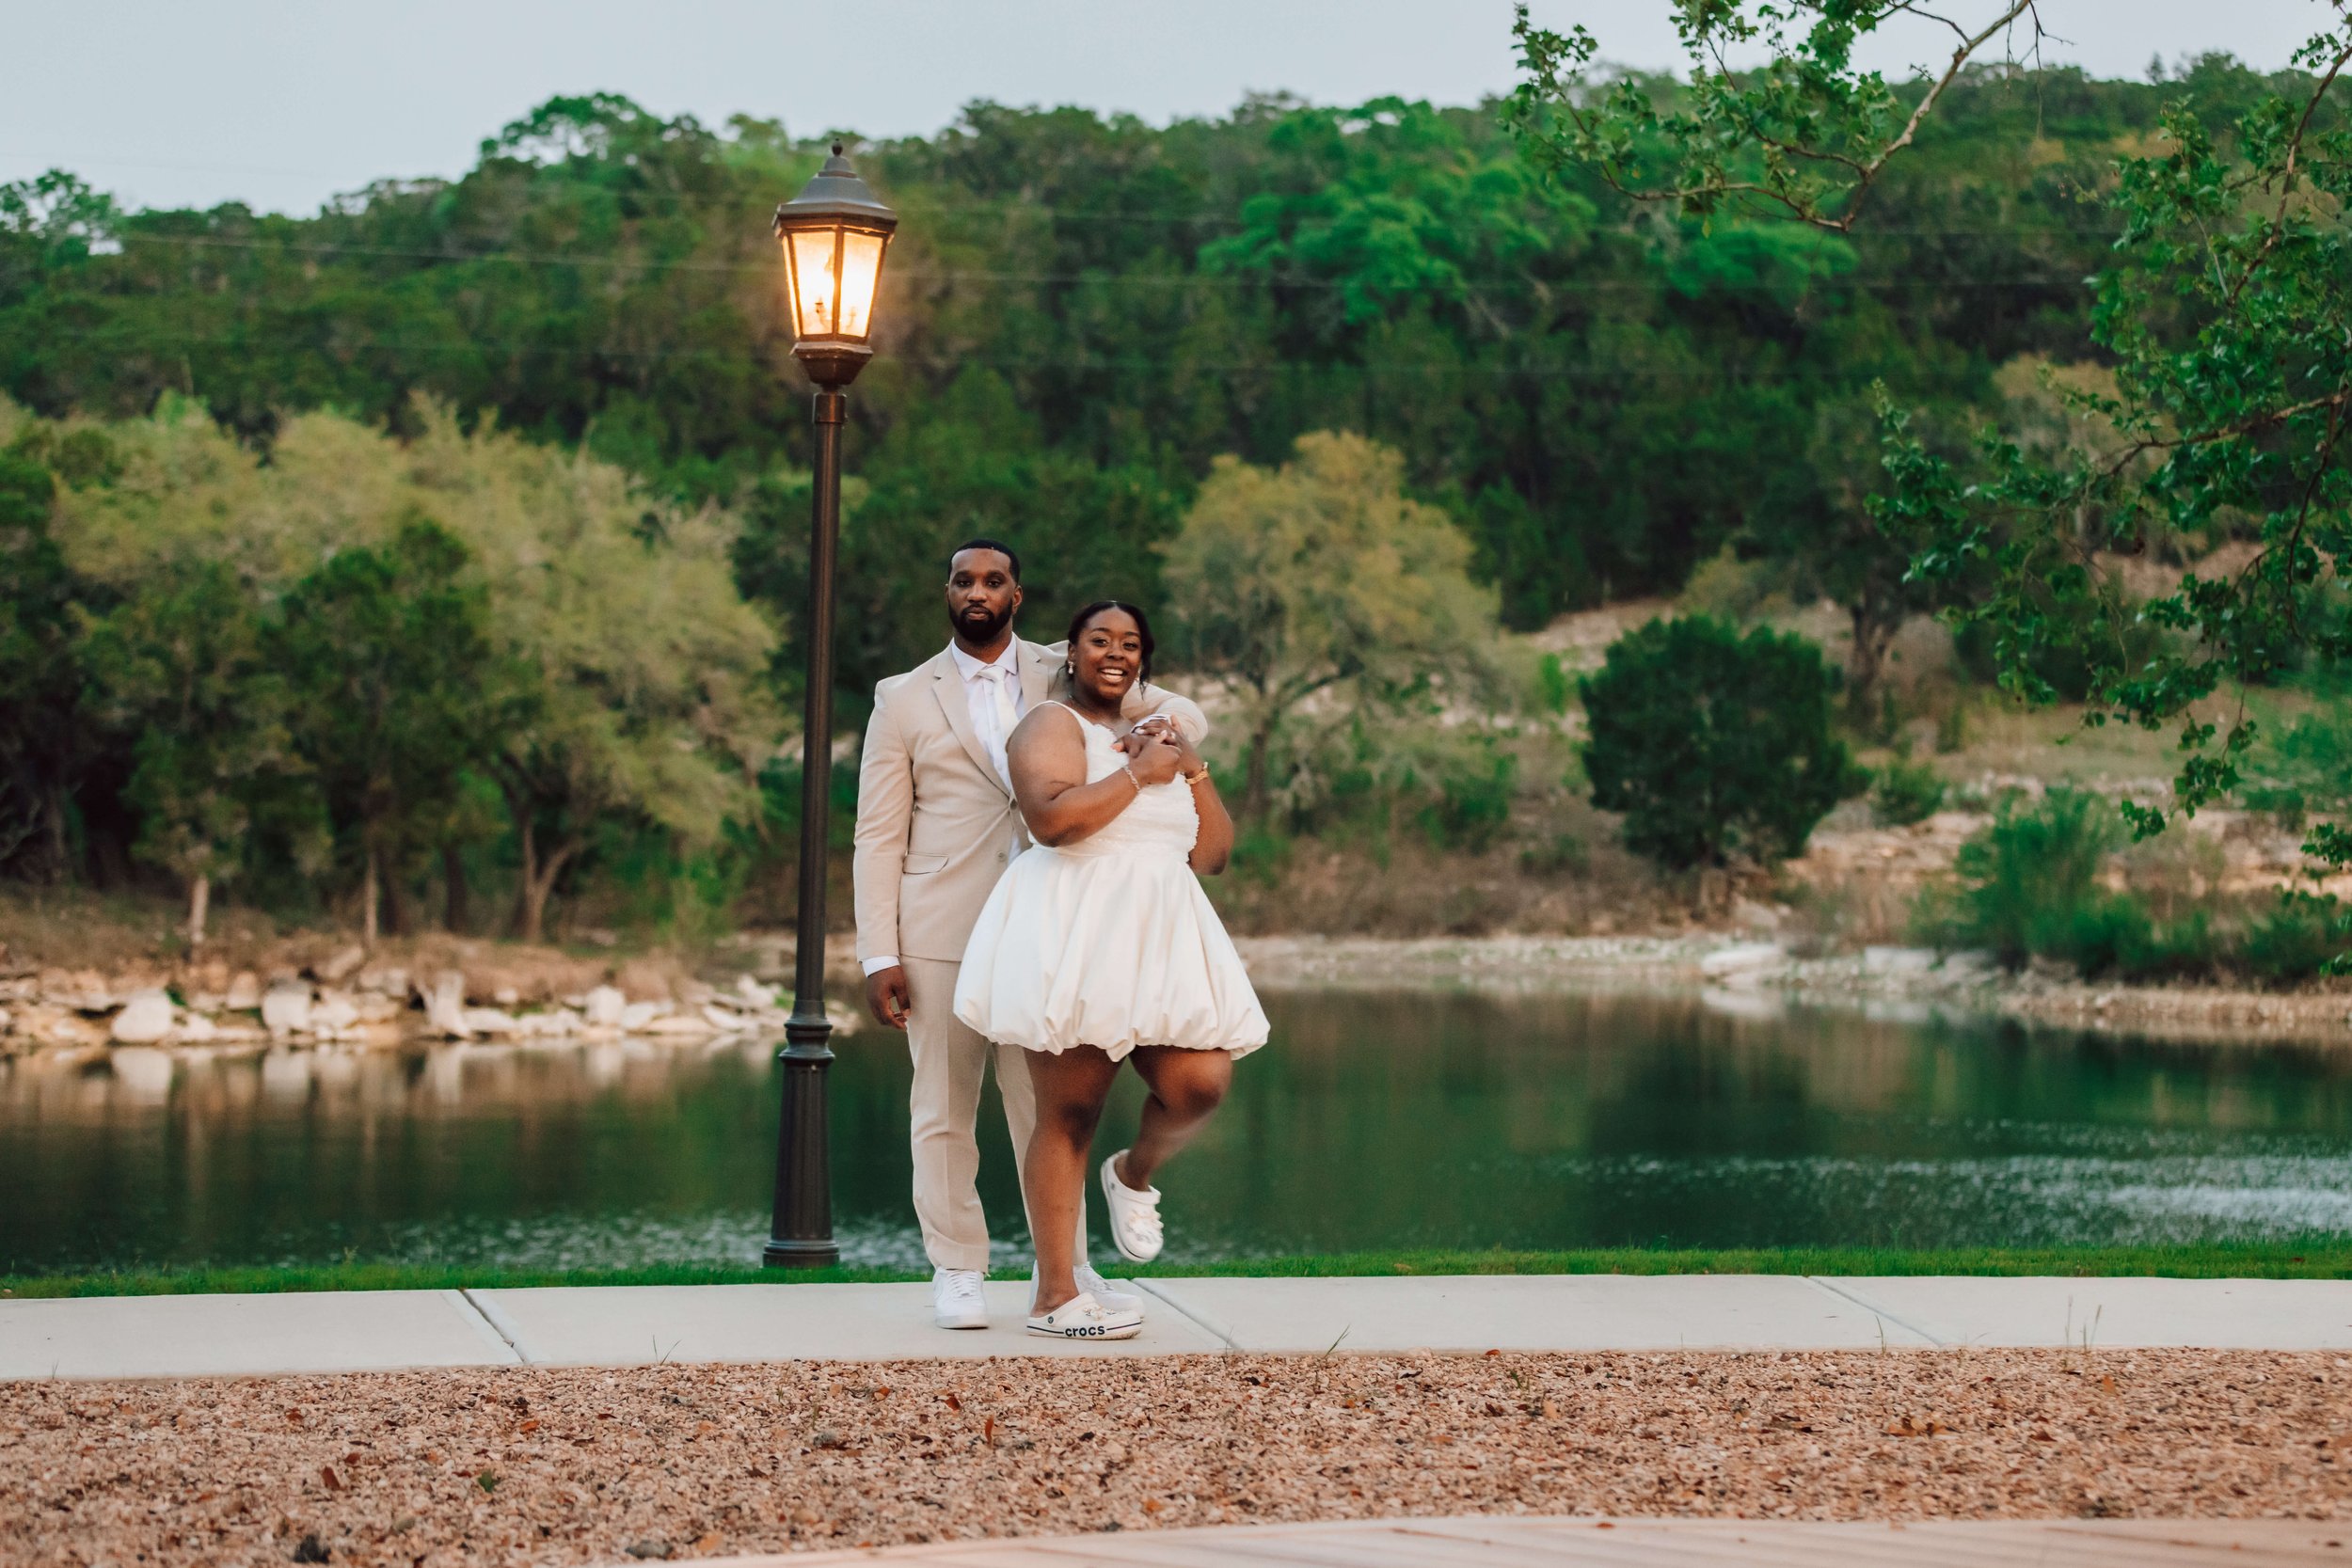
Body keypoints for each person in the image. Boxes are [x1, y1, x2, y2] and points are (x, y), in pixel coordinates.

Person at [853, 541, 1208, 1332]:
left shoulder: (1066, 666)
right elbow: (876, 835)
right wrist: (879, 951)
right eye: (962, 580)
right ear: (947, 592)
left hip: (1054, 916)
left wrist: (1156, 737)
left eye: (993, 581)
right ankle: (957, 1266)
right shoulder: (903, 697)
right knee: (943, 1101)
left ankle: (1067, 1267)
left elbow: (1181, 715)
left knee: (1051, 1105)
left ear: (1018, 594)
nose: (976, 591)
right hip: (942, 919)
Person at [955, 600, 1267, 1340]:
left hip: (1162, 931)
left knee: (1201, 1081)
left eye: (1131, 643)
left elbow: (1213, 855)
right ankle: (1056, 1297)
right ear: (1072, 651)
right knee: (1070, 1110)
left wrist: (1191, 769)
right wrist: (1140, 775)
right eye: (1101, 639)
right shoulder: (1050, 726)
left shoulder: (1164, 735)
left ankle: (1133, 1173)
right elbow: (1052, 821)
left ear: (1144, 659)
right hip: (1075, 925)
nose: (1115, 652)